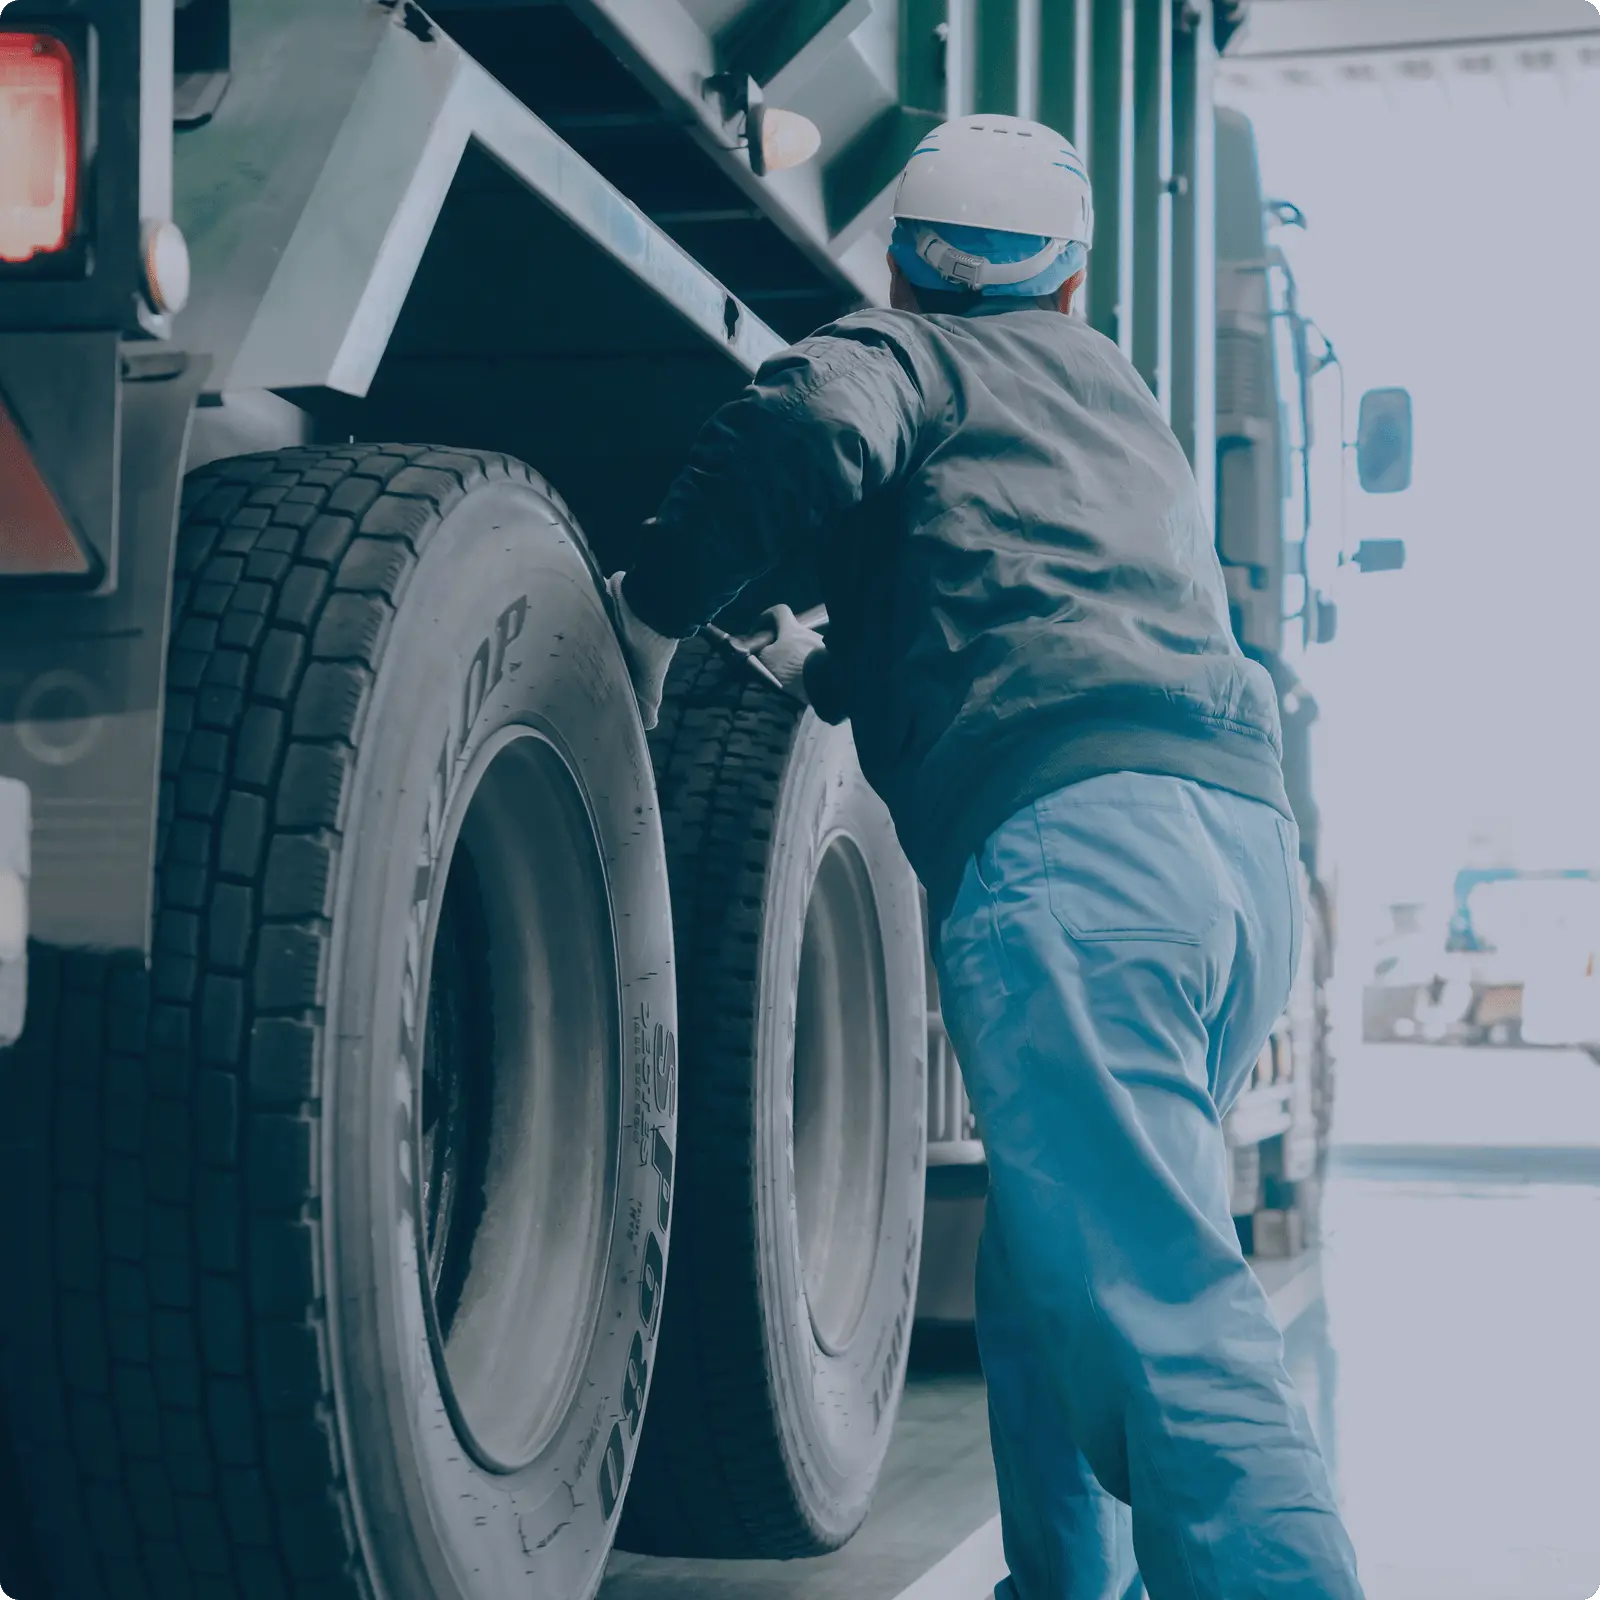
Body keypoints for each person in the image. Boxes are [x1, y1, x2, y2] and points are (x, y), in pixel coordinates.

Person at [606, 113, 1364, 1600]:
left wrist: (659, 600)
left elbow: (811, 425)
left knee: (1156, 1301)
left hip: (1085, 866)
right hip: (1231, 856)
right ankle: (1064, 1587)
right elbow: (1027, 602)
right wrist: (842, 660)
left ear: (900, 264)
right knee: (1043, 1270)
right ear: (1069, 283)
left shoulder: (909, 356)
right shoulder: (1113, 398)